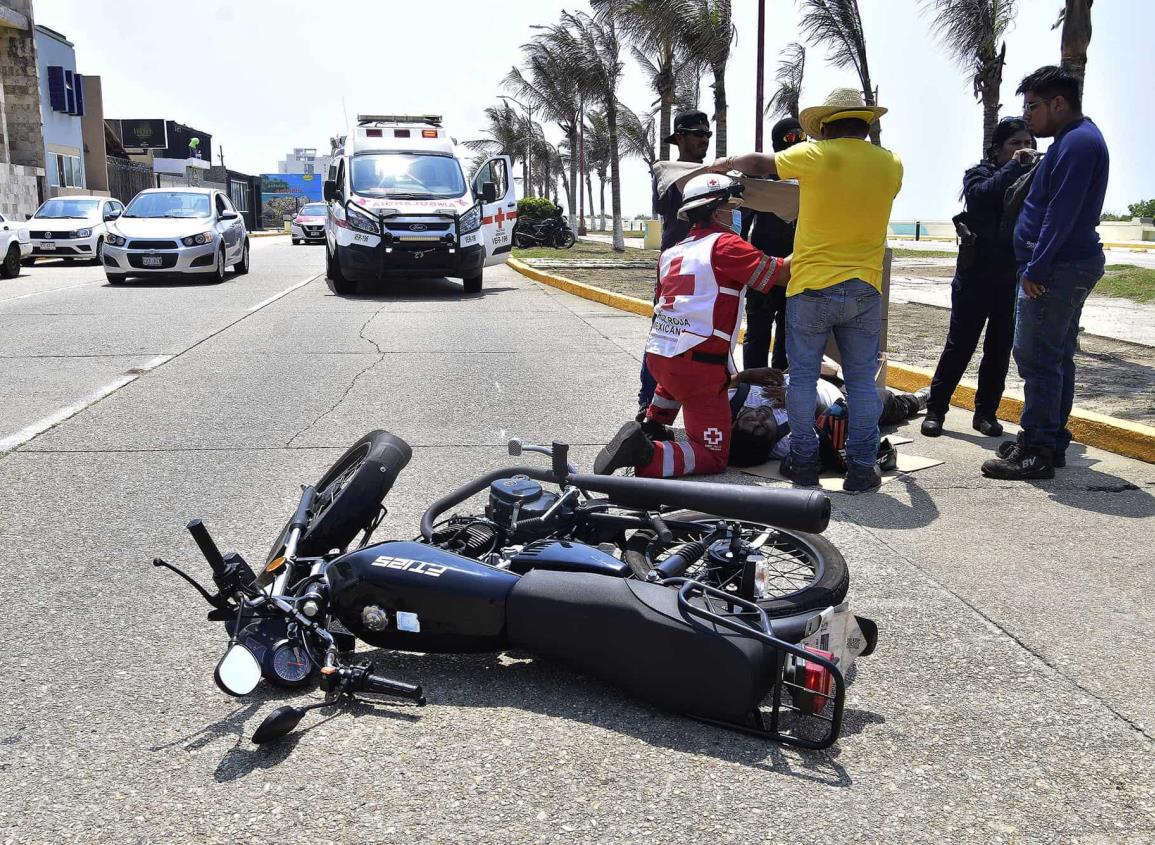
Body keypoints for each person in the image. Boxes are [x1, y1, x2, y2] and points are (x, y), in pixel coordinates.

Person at [708, 89, 903, 493]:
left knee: (801, 379)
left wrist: (723, 163)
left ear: (827, 126)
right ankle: (863, 467)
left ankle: (804, 462)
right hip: (865, 288)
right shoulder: (892, 164)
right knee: (863, 381)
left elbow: (761, 164)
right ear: (865, 125)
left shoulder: (817, 156)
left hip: (812, 286)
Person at [594, 174, 789, 477]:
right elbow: (780, 274)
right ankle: (647, 454)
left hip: (661, 357)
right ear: (715, 210)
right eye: (731, 207)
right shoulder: (726, 245)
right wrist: (817, 241)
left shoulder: (672, 251)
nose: (736, 214)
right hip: (699, 370)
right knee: (712, 455)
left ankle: (653, 424)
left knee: (675, 376)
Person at [982, 66, 1109, 480]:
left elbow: (1062, 211)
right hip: (1060, 263)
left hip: (1056, 267)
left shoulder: (1079, 143)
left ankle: (1036, 449)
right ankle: (1049, 439)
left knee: (1037, 359)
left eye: (1034, 106)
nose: (1029, 116)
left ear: (1059, 103)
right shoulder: (1069, 141)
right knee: (1054, 357)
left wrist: (1038, 264)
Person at [922, 118, 1037, 440]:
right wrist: (1014, 167)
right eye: (1016, 143)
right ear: (998, 148)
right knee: (959, 347)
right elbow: (980, 197)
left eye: (1029, 143)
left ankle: (985, 414)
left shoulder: (1034, 181)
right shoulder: (980, 174)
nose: (1024, 149)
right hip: (973, 278)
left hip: (1010, 279)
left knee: (998, 351)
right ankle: (936, 411)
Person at [637, 111, 713, 415]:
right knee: (664, 331)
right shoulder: (666, 173)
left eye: (707, 135)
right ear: (680, 137)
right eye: (697, 134)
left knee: (706, 334)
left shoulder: (715, 174)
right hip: (677, 265)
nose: (704, 140)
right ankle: (647, 401)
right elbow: (662, 204)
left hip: (708, 264)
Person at [728, 367, 930, 470]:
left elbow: (716, 386)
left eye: (749, 419)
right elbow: (830, 423)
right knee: (880, 400)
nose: (759, 417)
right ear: (771, 441)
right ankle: (919, 399)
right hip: (839, 400)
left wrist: (746, 375)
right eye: (763, 428)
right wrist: (801, 402)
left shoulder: (732, 402)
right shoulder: (787, 442)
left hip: (807, 374)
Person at [741, 117, 805, 371]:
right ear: (777, 142)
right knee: (758, 333)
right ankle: (753, 393)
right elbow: (741, 225)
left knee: (790, 337)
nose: (797, 143)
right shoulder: (760, 178)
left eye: (802, 138)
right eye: (791, 137)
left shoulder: (810, 177)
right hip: (763, 268)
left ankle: (781, 388)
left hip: (797, 269)